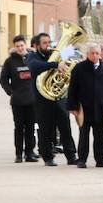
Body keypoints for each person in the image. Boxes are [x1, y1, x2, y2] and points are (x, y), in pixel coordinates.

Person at [28, 32, 78, 166]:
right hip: (42, 99)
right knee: (45, 129)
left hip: (58, 97)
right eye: (44, 43)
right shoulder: (33, 56)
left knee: (65, 127)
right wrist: (55, 65)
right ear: (37, 45)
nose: (48, 45)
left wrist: (66, 65)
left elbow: (72, 55)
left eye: (49, 42)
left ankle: (71, 156)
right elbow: (34, 66)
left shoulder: (54, 54)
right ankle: (47, 157)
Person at [67, 44, 103, 168]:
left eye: (97, 53)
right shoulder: (79, 68)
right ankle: (82, 159)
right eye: (92, 53)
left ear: (100, 54)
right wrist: (72, 107)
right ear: (87, 54)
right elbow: (72, 88)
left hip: (99, 107)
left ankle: (101, 159)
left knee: (100, 134)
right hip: (84, 107)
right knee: (84, 134)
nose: (94, 56)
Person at [0, 34, 38, 163]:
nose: (20, 48)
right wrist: (11, 92)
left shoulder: (33, 58)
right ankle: (18, 154)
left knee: (31, 127)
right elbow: (3, 79)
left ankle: (30, 153)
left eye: (22, 45)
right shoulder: (10, 61)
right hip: (17, 101)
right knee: (19, 127)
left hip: (32, 100)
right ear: (14, 48)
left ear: (25, 45)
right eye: (17, 46)